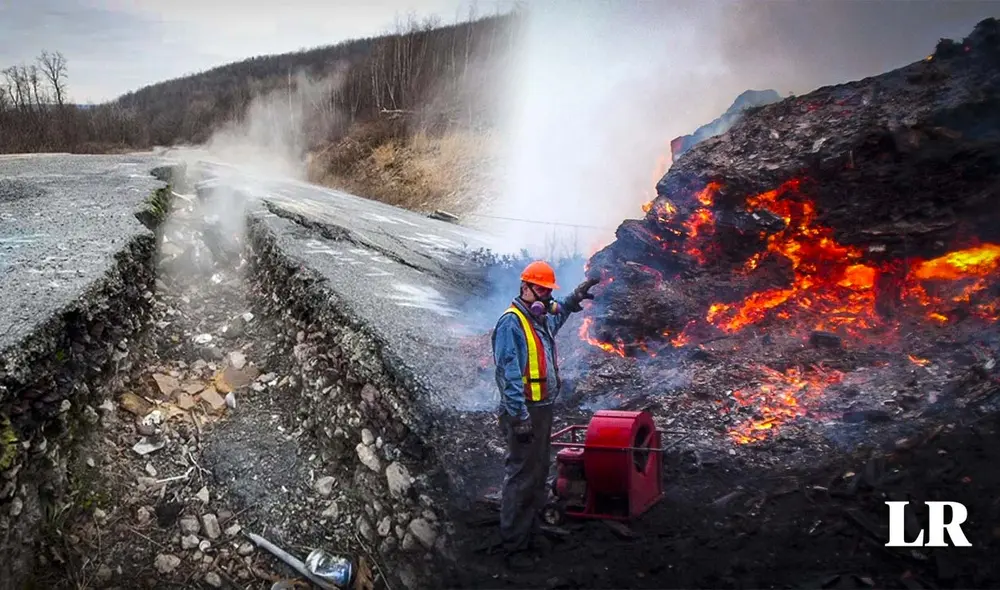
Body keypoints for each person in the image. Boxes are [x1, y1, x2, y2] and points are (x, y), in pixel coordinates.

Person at [491, 260, 599, 569]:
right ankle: (514, 546)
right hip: (525, 412)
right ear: (524, 287)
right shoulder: (511, 323)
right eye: (540, 290)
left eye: (548, 292)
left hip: (542, 408)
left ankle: (531, 531)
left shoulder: (538, 320)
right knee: (522, 475)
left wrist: (573, 298)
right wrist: (518, 416)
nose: (545, 297)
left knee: (538, 473)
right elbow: (507, 373)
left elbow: (559, 315)